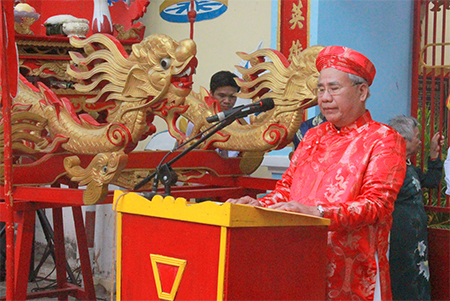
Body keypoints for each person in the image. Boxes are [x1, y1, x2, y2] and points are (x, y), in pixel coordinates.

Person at [227, 46, 407, 301]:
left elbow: (377, 205)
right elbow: (286, 190)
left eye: (334, 88)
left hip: (353, 267)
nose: (324, 97)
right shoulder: (313, 135)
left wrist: (318, 213)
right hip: (300, 259)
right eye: (320, 89)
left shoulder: (383, 139)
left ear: (362, 91)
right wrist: (257, 205)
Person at [388, 116, 444, 301]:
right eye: (417, 137)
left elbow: (432, 181)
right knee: (401, 284)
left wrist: (434, 154)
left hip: (416, 243)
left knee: (417, 283)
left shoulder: (409, 166)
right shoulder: (387, 167)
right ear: (402, 139)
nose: (420, 142)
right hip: (397, 242)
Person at [186, 70, 242, 157]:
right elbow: (191, 155)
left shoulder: (241, 122)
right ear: (211, 93)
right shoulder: (197, 122)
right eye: (222, 96)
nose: (227, 101)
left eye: (232, 96)